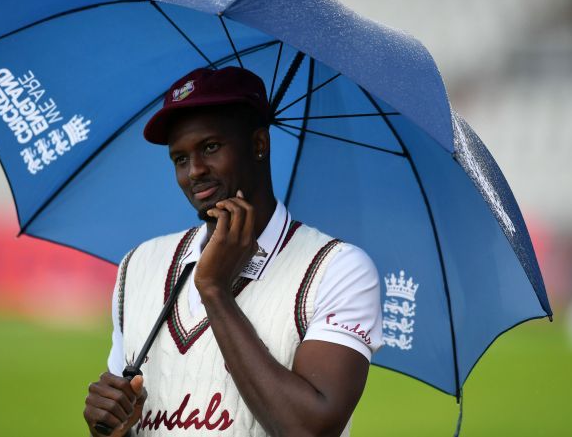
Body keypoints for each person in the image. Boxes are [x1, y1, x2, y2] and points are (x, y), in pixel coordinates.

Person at [83, 66, 383, 436]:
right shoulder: (139, 264)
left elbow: (310, 430)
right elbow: (129, 421)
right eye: (179, 159)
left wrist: (214, 290)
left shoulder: (337, 269)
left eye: (210, 147)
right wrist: (112, 430)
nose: (194, 171)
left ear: (259, 144)